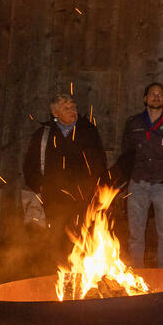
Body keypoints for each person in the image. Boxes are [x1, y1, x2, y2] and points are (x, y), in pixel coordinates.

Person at [23, 93, 108, 263]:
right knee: (56, 240)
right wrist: (40, 186)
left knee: (80, 239)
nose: (72, 111)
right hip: (54, 198)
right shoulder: (44, 134)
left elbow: (99, 162)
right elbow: (30, 165)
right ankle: (58, 272)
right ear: (55, 113)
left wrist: (95, 187)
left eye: (73, 107)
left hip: (83, 198)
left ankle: (80, 272)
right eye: (66, 108)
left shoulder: (88, 132)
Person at [120, 82, 163, 268]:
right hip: (138, 183)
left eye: (160, 94)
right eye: (152, 94)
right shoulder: (134, 122)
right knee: (135, 233)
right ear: (145, 98)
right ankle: (136, 274)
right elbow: (126, 151)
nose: (156, 97)